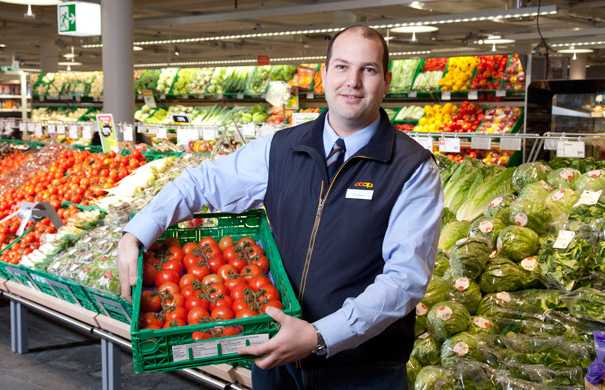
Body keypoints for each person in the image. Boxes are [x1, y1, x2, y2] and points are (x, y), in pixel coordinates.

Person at [118, 25, 443, 389]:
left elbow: (405, 280)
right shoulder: (280, 149)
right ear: (323, 75)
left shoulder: (413, 168)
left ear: (386, 81)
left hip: (361, 368)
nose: (352, 81)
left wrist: (320, 336)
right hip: (275, 358)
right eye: (341, 67)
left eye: (368, 69)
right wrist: (138, 230)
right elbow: (201, 182)